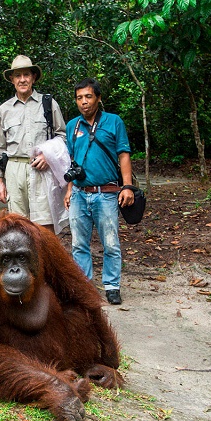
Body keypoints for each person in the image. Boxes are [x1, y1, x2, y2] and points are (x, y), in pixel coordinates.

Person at [63, 78, 134, 305]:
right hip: (80, 194)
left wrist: (127, 186)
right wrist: (69, 189)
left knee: (110, 242)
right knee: (78, 243)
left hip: (107, 193)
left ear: (98, 98)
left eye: (88, 96)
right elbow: (72, 162)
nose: (84, 102)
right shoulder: (72, 126)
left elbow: (124, 154)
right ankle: (85, 285)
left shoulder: (113, 122)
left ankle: (112, 285)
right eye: (79, 98)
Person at [0, 55, 67, 233]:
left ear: (33, 77)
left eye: (26, 75)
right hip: (14, 170)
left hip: (42, 170)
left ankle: (44, 261)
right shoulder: (4, 110)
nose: (22, 79)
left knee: (44, 224)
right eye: (18, 76)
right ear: (12, 79)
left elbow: (63, 136)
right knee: (18, 225)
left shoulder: (48, 104)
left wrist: (48, 156)